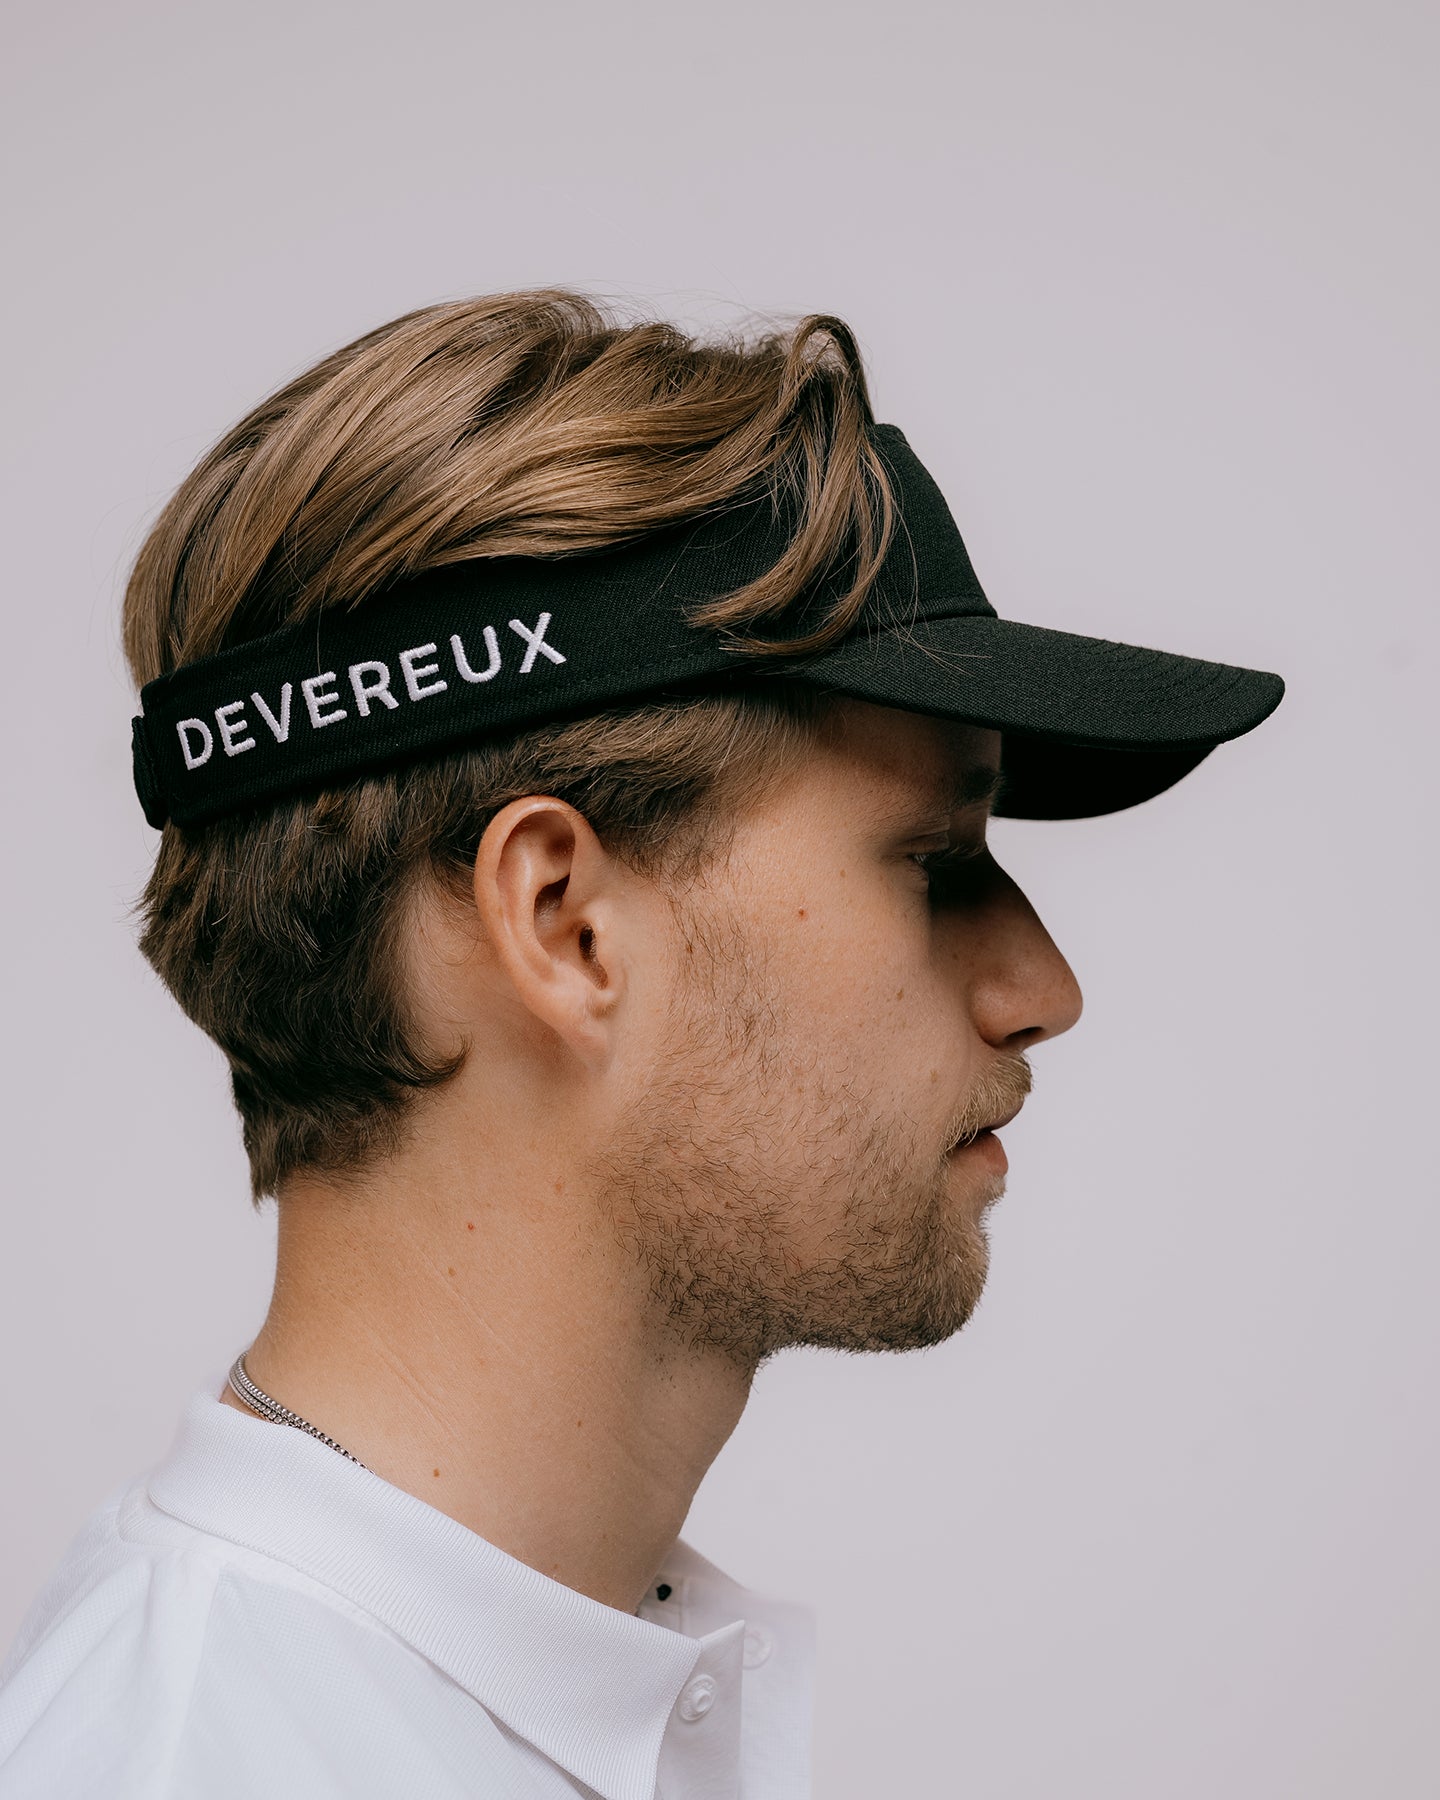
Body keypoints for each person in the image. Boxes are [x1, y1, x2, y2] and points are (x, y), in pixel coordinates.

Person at [0, 290, 1283, 1799]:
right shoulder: (195, 1762)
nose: (1041, 986)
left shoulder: (503, 1699)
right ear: (563, 924)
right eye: (934, 860)